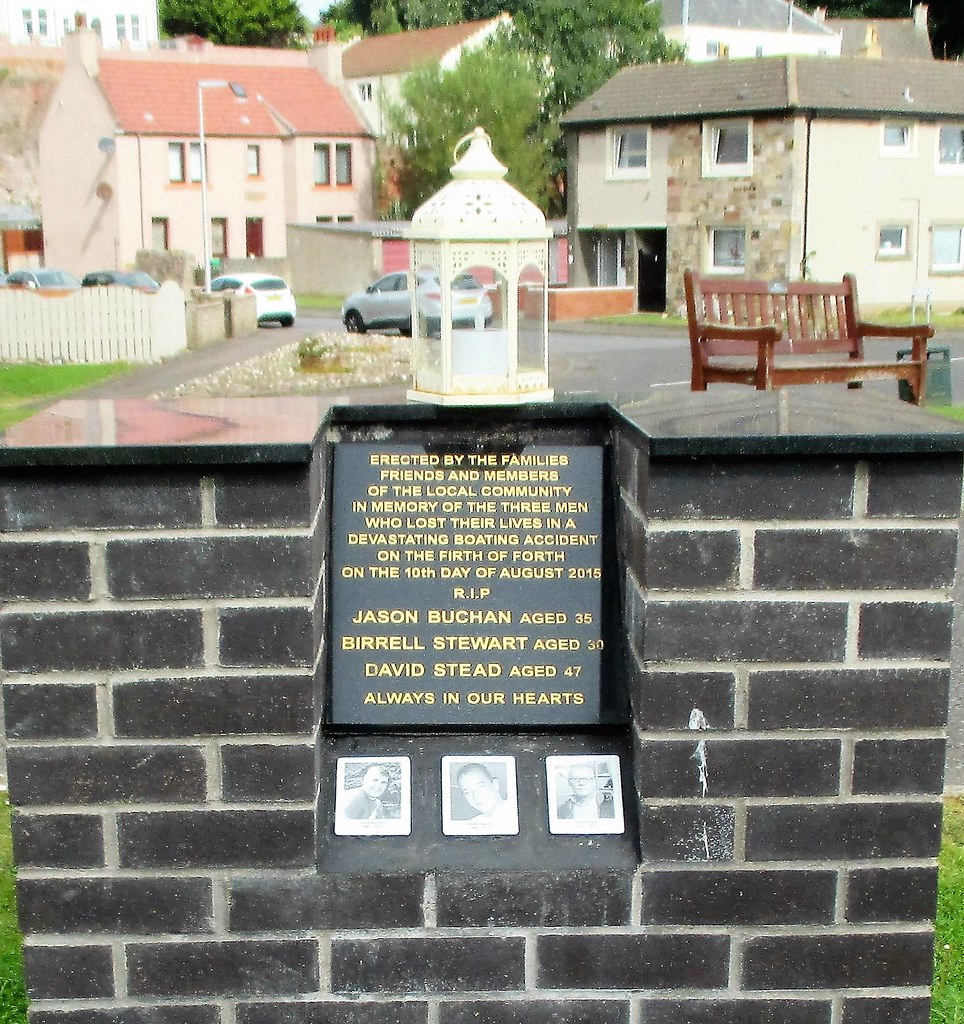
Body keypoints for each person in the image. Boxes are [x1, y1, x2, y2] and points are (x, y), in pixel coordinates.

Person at [455, 762, 517, 830]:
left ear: (495, 784)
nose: (476, 796)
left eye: (481, 786)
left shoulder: (516, 814)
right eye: (467, 792)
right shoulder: (471, 825)